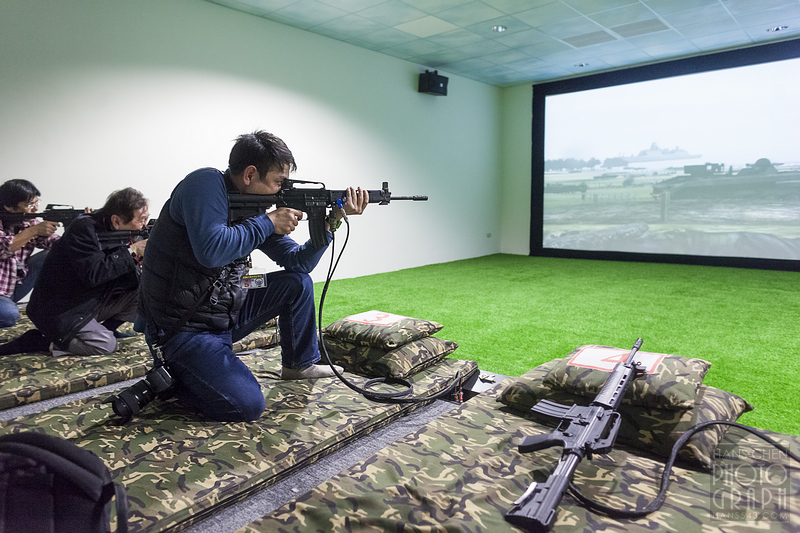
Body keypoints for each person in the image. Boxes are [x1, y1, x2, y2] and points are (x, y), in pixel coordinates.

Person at [138, 130, 368, 422]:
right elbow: (212, 250)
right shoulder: (204, 184)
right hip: (182, 328)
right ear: (249, 174)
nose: (279, 193)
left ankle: (299, 364)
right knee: (247, 404)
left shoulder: (251, 209)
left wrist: (331, 223)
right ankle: (178, 378)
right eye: (277, 183)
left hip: (221, 312)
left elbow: (298, 262)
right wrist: (268, 222)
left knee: (296, 283)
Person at [24, 188, 149, 356]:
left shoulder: (116, 231)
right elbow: (94, 274)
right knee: (106, 346)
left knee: (141, 290)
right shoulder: (84, 229)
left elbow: (126, 277)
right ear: (117, 221)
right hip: (60, 309)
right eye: (141, 220)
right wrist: (132, 250)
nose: (144, 226)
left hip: (87, 301)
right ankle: (40, 342)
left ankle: (106, 330)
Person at [0, 179, 60, 328]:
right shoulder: (31, 227)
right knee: (9, 317)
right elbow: (4, 248)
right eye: (29, 205)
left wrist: (80, 227)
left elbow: (58, 245)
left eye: (36, 202)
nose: (35, 209)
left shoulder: (28, 222)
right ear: (8, 207)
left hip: (13, 287)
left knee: (51, 254)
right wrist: (33, 231)